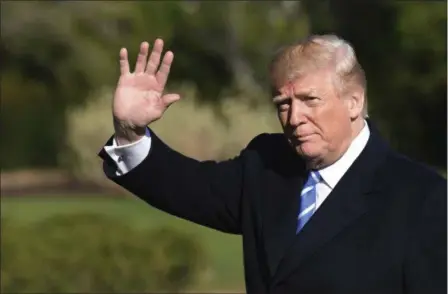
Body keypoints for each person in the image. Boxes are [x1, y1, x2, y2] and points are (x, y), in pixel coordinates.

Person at [98, 34, 447, 294]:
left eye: (310, 100)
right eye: (283, 103)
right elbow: (186, 186)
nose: (294, 117)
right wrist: (130, 131)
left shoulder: (421, 197)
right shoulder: (266, 166)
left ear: (354, 102)